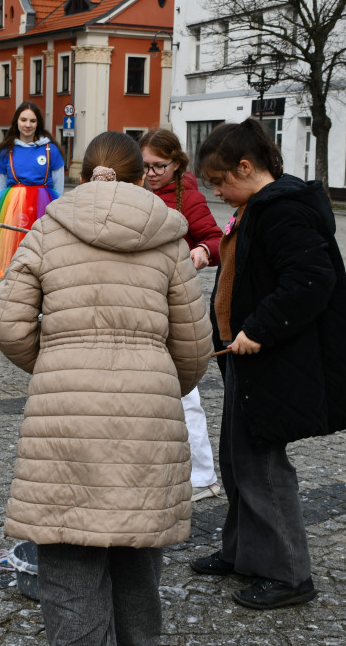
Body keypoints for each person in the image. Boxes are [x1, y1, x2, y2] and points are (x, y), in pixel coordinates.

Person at [0, 131, 212, 644]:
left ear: (82, 173)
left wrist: (55, 361)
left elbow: (6, 323)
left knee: (68, 564)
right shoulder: (169, 236)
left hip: (65, 414)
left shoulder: (49, 227)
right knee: (138, 559)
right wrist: (156, 380)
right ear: (141, 177)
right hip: (147, 417)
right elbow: (195, 346)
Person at [189, 119, 346, 610]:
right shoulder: (257, 208)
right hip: (249, 360)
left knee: (263, 465)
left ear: (246, 167)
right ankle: (243, 552)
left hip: (274, 360)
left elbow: (310, 280)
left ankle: (289, 574)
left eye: (221, 181)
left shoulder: (282, 211)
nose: (219, 192)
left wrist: (258, 329)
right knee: (237, 460)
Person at [140, 128, 223, 503]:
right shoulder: (133, 188)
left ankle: (204, 476)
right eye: (145, 166)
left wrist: (204, 250)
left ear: (177, 163)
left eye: (160, 166)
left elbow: (217, 238)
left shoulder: (188, 196)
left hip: (175, 303)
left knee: (184, 392)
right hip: (140, 300)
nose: (152, 172)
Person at [0, 101, 64, 278]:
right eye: (23, 120)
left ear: (38, 124)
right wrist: (11, 202)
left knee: (41, 246)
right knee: (13, 247)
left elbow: (58, 186)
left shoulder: (50, 150)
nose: (28, 125)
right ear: (16, 122)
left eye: (32, 121)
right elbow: (1, 185)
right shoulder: (7, 151)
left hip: (43, 205)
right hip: (14, 206)